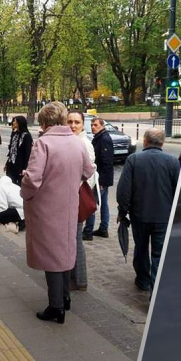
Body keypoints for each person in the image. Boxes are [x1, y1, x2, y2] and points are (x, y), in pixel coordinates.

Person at [21, 103, 93, 324]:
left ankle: (56, 307)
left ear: (43, 122)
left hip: (46, 208)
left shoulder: (43, 143)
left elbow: (33, 178)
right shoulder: (77, 142)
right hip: (69, 207)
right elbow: (89, 170)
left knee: (51, 256)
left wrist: (25, 188)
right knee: (64, 251)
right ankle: (65, 297)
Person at [117, 128, 180, 293]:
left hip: (140, 215)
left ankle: (143, 280)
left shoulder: (134, 159)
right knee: (159, 254)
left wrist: (123, 212)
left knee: (141, 248)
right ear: (163, 142)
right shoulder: (172, 161)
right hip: (164, 216)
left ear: (144, 141)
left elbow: (124, 190)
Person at [66, 110, 99, 291]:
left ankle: (79, 280)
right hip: (71, 196)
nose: (72, 126)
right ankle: (74, 278)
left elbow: (88, 172)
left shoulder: (84, 144)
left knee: (76, 238)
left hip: (76, 196)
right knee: (72, 238)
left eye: (76, 122)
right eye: (69, 122)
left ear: (82, 124)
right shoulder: (72, 141)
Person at [83, 117, 114, 241]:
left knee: (91, 203)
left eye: (95, 125)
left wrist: (101, 181)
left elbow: (107, 162)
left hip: (100, 178)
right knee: (104, 203)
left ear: (102, 126)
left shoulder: (104, 139)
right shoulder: (99, 138)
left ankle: (88, 231)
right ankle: (103, 228)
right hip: (101, 178)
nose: (92, 127)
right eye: (91, 125)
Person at [5, 116, 32, 186]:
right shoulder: (15, 134)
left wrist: (25, 168)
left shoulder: (26, 136)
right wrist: (7, 163)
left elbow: (27, 153)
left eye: (15, 121)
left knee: (18, 185)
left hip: (20, 166)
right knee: (10, 183)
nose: (13, 123)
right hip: (11, 164)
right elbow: (12, 150)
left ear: (19, 123)